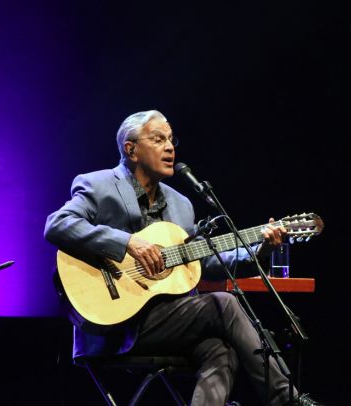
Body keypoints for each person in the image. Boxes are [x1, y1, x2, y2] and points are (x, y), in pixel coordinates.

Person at [44, 110, 320, 406]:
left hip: (171, 321)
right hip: (113, 324)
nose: (170, 147)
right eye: (158, 139)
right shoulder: (98, 185)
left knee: (220, 348)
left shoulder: (181, 205)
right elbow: (57, 225)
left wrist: (261, 250)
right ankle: (287, 400)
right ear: (131, 149)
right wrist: (127, 243)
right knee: (223, 303)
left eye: (171, 140)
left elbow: (208, 263)